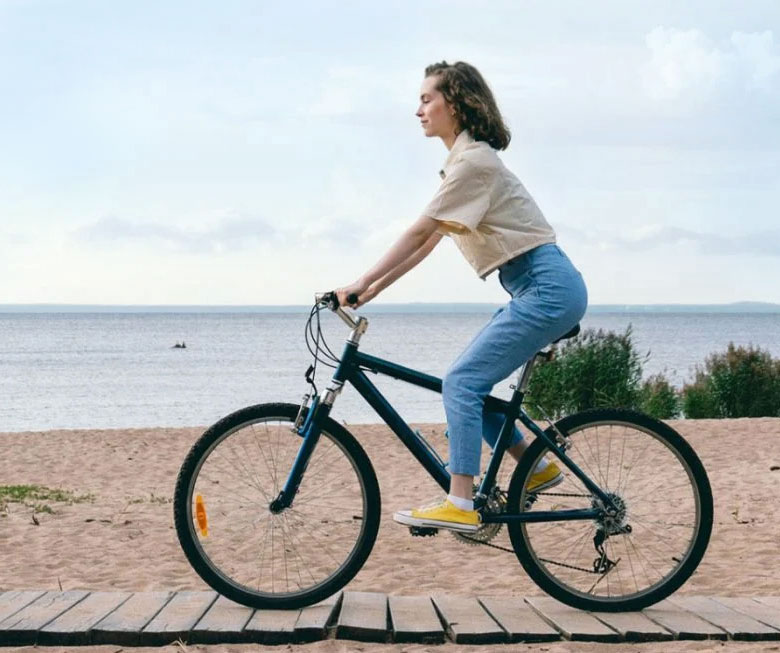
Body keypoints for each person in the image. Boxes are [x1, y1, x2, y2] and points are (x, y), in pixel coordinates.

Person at [335, 60, 587, 533]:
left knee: (461, 384)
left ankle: (460, 502)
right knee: (470, 385)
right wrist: (369, 291)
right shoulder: (464, 164)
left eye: (427, 99)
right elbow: (430, 243)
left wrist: (357, 280)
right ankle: (536, 466)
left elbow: (419, 230)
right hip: (536, 285)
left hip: (546, 287)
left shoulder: (474, 164)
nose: (418, 110)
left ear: (456, 102)